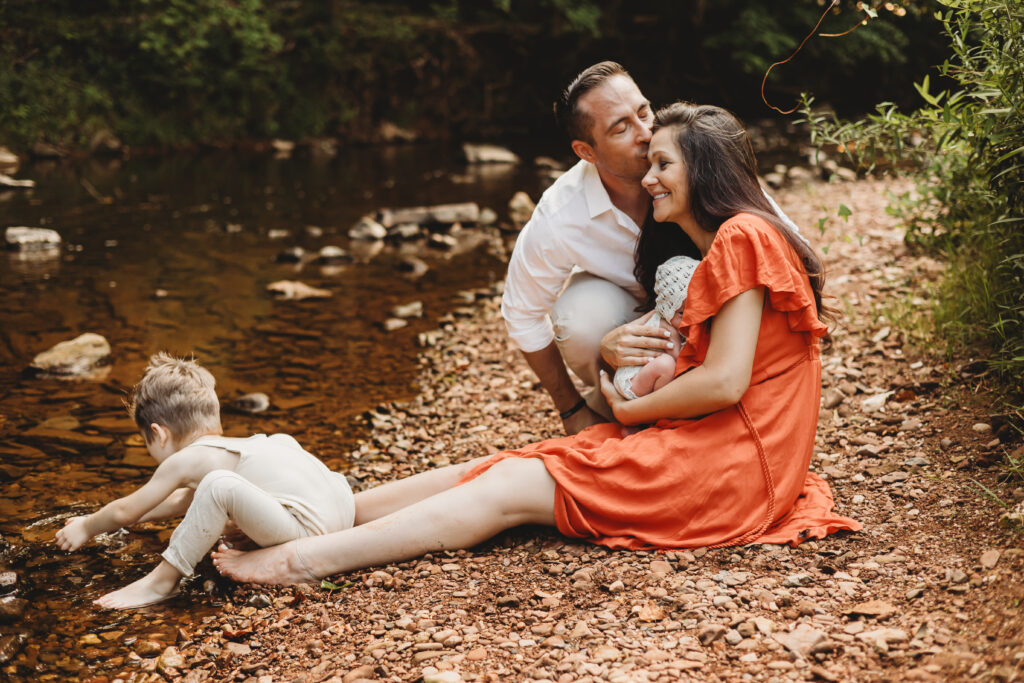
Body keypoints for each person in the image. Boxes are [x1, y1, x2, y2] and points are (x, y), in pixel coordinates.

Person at [209, 102, 860, 586]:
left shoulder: (744, 236)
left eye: (663, 163)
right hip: (730, 449)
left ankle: (301, 558)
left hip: (735, 466)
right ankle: (326, 513)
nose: (649, 176)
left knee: (515, 486)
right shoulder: (728, 240)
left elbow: (724, 381)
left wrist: (631, 412)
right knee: (522, 460)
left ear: (707, 171)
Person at [502, 61, 803, 435]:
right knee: (580, 319)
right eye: (621, 128)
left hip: (727, 318)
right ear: (586, 151)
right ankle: (624, 398)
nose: (646, 132)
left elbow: (787, 246)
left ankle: (700, 398)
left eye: (644, 111)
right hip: (648, 319)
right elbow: (522, 314)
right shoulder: (562, 213)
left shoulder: (703, 164)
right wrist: (573, 405)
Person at [55, 352, 355, 609]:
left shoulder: (188, 459)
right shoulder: (235, 448)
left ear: (159, 434)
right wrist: (98, 518)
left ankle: (161, 582)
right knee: (277, 443)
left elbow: (126, 511)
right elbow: (175, 503)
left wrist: (87, 527)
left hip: (312, 533)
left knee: (218, 485)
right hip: (343, 512)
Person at [612, 254, 699, 400]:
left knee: (666, 365)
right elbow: (679, 359)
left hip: (648, 374)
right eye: (682, 313)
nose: (689, 318)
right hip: (633, 380)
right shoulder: (666, 327)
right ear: (667, 310)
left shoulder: (674, 321)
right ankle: (661, 402)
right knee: (667, 365)